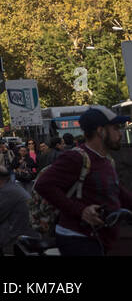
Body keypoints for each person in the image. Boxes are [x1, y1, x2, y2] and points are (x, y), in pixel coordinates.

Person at [34, 105, 132, 256]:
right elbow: (43, 184)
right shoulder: (77, 157)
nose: (120, 133)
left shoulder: (106, 160)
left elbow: (118, 193)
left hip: (100, 239)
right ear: (100, 131)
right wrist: (81, 211)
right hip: (78, 240)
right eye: (115, 128)